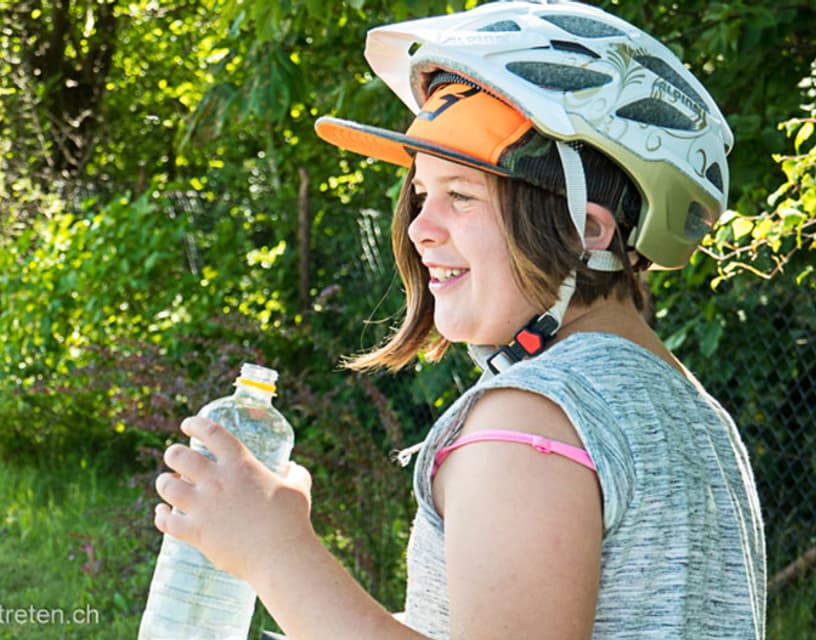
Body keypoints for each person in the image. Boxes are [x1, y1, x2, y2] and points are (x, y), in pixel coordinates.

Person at [152, 1, 766, 638]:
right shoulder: (695, 417)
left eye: (461, 196)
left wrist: (275, 552)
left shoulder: (531, 420)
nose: (419, 227)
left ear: (586, 228)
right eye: (421, 193)